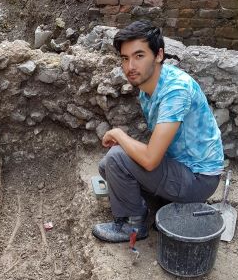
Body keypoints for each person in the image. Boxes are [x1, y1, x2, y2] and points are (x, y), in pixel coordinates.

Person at [92, 21, 224, 243]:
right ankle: (155, 204)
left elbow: (151, 160)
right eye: (125, 58)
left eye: (139, 55)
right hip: (181, 167)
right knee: (108, 167)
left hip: (198, 178)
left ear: (159, 55)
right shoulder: (149, 85)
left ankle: (133, 226)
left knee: (116, 158)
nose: (130, 66)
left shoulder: (175, 91)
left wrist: (119, 134)